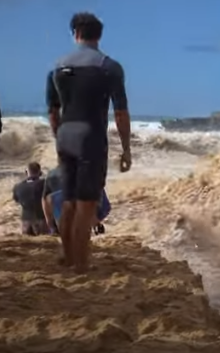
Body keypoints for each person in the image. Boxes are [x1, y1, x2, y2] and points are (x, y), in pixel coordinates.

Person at [47, 12, 132, 273]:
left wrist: (58, 136)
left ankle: (68, 254)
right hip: (91, 137)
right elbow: (120, 112)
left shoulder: (57, 68)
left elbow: (53, 112)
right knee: (87, 203)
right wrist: (126, 148)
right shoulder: (109, 67)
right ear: (99, 35)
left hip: (66, 137)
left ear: (75, 34)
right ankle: (81, 264)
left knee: (70, 200)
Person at [42, 166, 106, 236]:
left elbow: (44, 199)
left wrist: (49, 220)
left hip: (60, 212)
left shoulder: (51, 174)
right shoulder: (82, 171)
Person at [12, 162, 49, 235]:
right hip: (41, 219)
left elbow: (16, 200)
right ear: (40, 172)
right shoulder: (44, 183)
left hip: (25, 221)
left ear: (26, 172)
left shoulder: (17, 187)